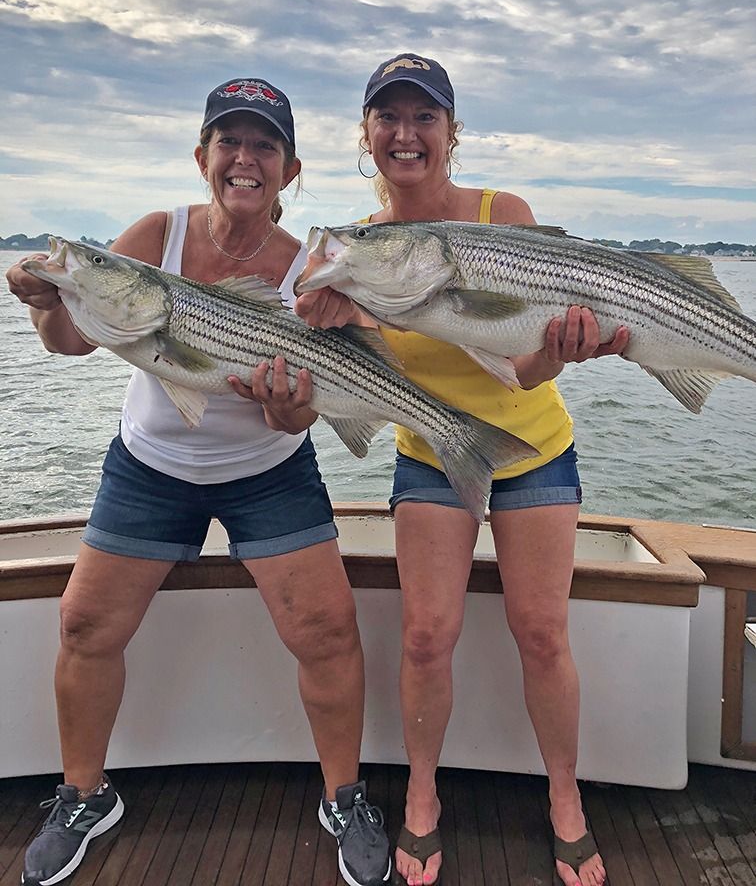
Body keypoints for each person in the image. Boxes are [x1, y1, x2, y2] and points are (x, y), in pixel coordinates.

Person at [6, 77, 391, 886]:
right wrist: (47, 298)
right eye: (230, 142)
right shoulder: (156, 235)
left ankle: (345, 797)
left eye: (264, 146)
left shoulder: (307, 272)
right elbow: (71, 341)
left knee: (326, 630)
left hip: (268, 471)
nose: (245, 159)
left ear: (288, 170)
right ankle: (84, 797)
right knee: (84, 626)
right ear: (202, 156)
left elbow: (299, 415)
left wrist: (291, 410)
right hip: (152, 465)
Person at [296, 54, 629, 886]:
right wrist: (325, 321)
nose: (406, 134)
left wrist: (561, 351)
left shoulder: (499, 214)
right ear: (366, 137)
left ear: (451, 133)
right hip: (430, 453)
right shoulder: (352, 251)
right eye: (388, 118)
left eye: (424, 118)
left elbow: (523, 368)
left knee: (543, 632)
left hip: (534, 450)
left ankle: (564, 797)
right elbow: (356, 387)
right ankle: (419, 795)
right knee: (424, 636)